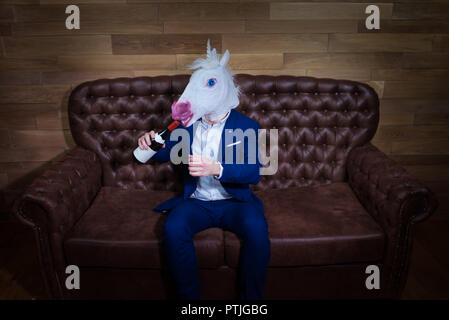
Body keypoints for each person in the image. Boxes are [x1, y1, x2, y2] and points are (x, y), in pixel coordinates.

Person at [138, 108, 270, 300]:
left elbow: (253, 172)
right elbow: (165, 153)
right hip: (196, 201)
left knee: (257, 229)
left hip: (235, 202)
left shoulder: (246, 125)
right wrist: (150, 143)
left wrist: (218, 168)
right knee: (173, 228)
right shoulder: (186, 123)